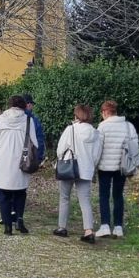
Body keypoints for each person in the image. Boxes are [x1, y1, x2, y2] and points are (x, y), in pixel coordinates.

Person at [54, 104, 102, 243]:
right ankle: (88, 230)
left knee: (64, 197)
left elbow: (60, 149)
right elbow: (97, 155)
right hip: (86, 169)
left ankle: (62, 227)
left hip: (69, 167)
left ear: (77, 115)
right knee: (85, 200)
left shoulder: (71, 129)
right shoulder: (96, 133)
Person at [95, 100, 139, 239]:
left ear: (105, 112)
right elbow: (135, 145)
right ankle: (118, 226)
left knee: (104, 195)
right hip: (122, 166)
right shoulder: (128, 126)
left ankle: (105, 225)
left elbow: (98, 148)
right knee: (118, 195)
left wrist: (94, 164)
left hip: (104, 166)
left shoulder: (102, 127)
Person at [0, 95, 35, 235]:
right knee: (20, 192)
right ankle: (19, 220)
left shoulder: (1, 119)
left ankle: (7, 226)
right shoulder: (28, 120)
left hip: (3, 162)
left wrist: (1, 150)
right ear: (23, 105)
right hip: (22, 161)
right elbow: (34, 142)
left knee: (4, 195)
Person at [22, 94, 48, 162]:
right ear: (28, 104)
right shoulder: (33, 120)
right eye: (32, 104)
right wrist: (39, 157)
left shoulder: (10, 119)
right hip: (29, 157)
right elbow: (39, 139)